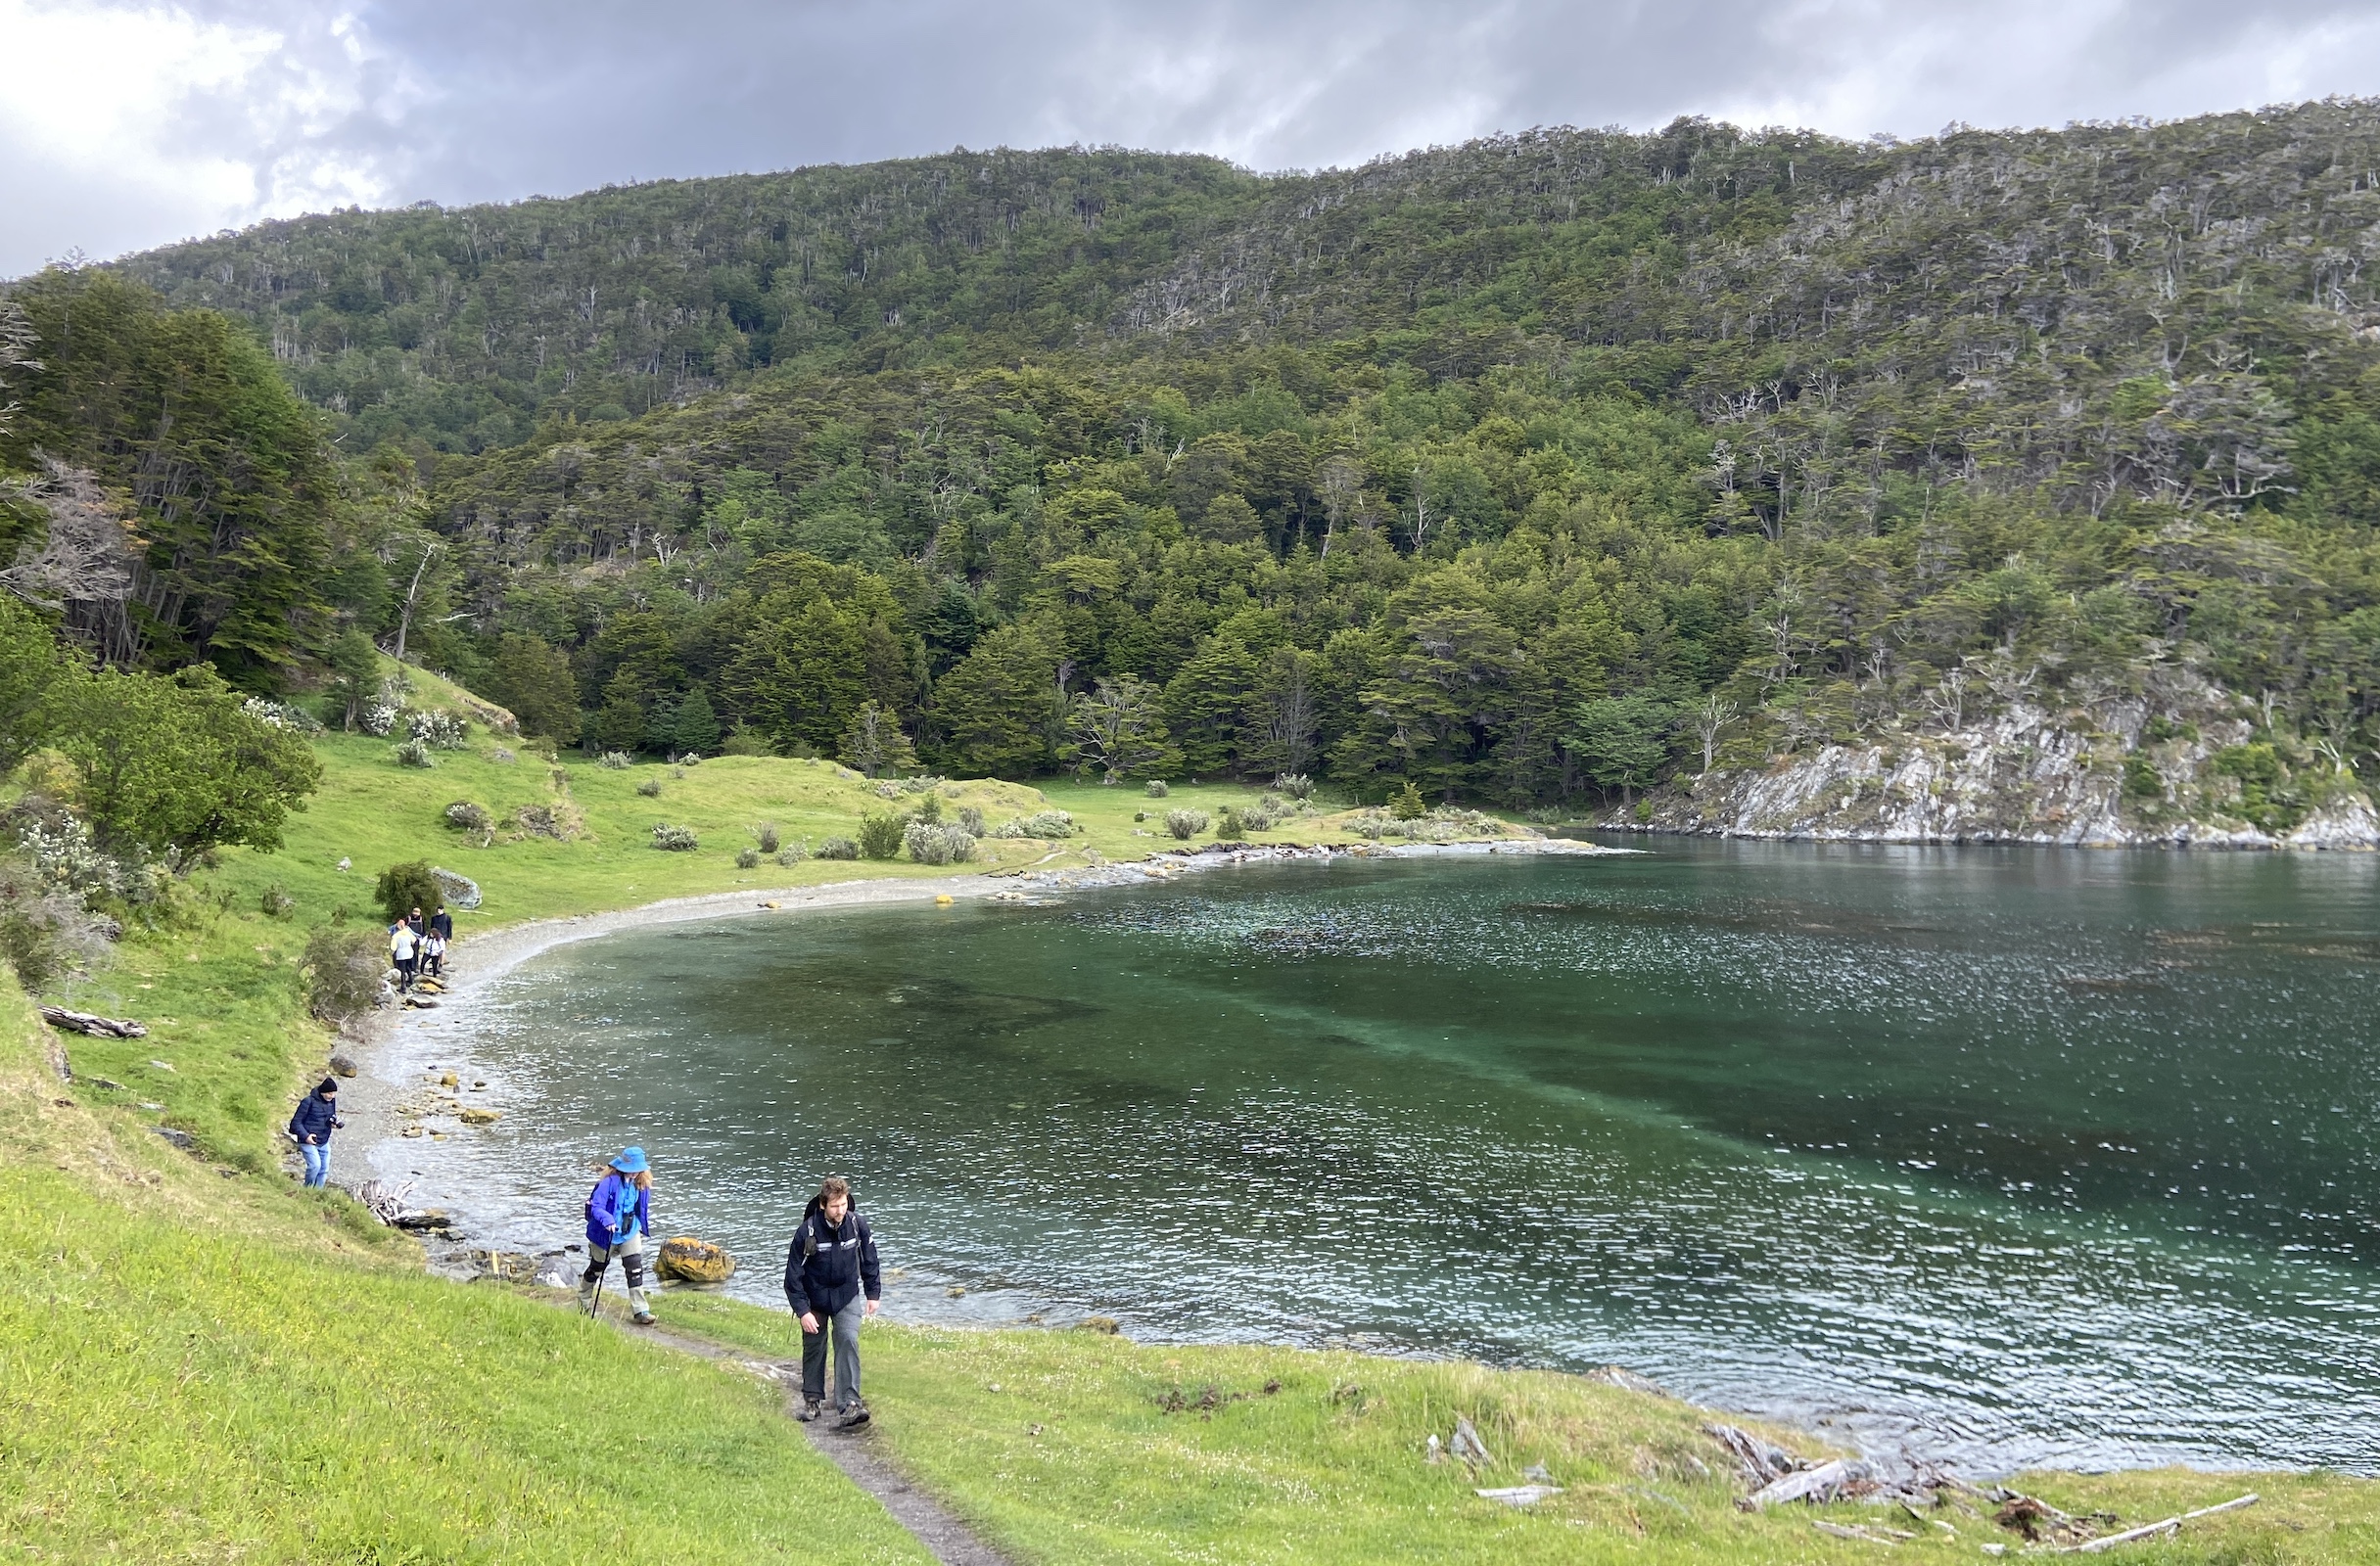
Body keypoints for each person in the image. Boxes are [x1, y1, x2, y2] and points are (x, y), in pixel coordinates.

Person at [783, 1174, 881, 1428]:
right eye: (835, 1206)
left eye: (844, 1204)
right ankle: (812, 1401)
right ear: (823, 1205)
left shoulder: (858, 1225)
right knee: (814, 1346)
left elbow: (869, 1260)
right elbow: (793, 1277)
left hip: (846, 1294)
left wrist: (873, 1294)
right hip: (814, 1297)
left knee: (848, 1339)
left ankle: (850, 1404)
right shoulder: (806, 1232)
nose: (840, 1210)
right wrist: (803, 1311)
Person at [580, 1146, 656, 1325]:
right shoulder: (608, 1183)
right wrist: (607, 1220)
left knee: (635, 1269)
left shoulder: (642, 1184)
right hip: (605, 1233)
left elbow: (641, 1209)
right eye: (632, 1169)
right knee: (596, 1269)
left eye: (638, 1169)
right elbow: (597, 1207)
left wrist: (640, 1226)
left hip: (629, 1231)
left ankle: (641, 1311)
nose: (635, 1172)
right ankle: (583, 1302)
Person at [288, 1078, 343, 1188]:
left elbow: (330, 1116)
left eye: (334, 1094)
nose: (332, 1096)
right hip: (308, 1141)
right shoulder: (308, 1102)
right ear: (323, 1092)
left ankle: (317, 1192)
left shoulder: (331, 1101)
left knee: (324, 1169)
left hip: (323, 1140)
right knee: (315, 1166)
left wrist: (334, 1123)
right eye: (329, 1094)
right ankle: (307, 1189)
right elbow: (295, 1123)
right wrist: (306, 1136)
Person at [389, 919, 419, 990]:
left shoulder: (396, 936)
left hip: (401, 953)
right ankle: (411, 980)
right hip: (409, 952)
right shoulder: (408, 933)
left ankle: (403, 986)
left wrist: (392, 954)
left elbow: (393, 948)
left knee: (402, 970)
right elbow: (414, 940)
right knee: (408, 967)